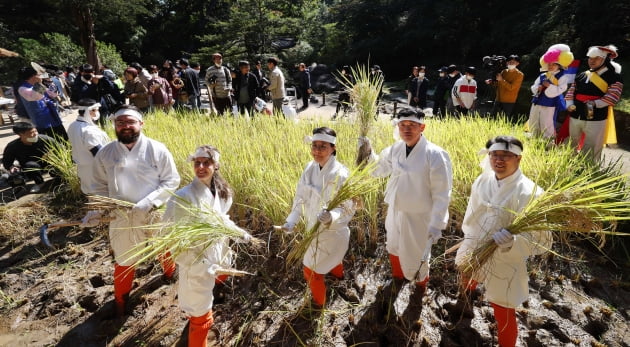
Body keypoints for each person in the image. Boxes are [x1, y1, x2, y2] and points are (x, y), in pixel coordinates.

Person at [82, 105, 180, 318]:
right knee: (124, 259)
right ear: (114, 126)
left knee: (164, 246)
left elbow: (171, 180)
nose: (125, 126)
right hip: (121, 215)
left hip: (155, 211)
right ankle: (120, 303)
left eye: (130, 122)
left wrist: (149, 202)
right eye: (120, 122)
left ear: (141, 124)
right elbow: (98, 186)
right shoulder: (105, 153)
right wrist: (96, 210)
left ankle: (169, 274)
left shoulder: (157, 149)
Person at [453, 136, 552, 347]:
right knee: (466, 272)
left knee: (503, 307)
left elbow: (543, 240)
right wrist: (468, 239)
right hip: (475, 244)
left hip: (505, 258)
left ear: (519, 159)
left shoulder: (530, 192)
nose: (499, 160)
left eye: (506, 156)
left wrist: (511, 243)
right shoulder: (482, 180)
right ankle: (464, 304)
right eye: (495, 155)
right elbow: (471, 214)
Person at [163, 145, 252, 347]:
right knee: (201, 315)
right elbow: (175, 240)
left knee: (213, 287)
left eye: (207, 162)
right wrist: (201, 265)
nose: (201, 167)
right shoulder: (184, 198)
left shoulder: (223, 193)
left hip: (216, 252)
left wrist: (239, 233)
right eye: (197, 163)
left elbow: (221, 220)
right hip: (195, 261)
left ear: (216, 165)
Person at [363, 109, 452, 302]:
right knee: (393, 245)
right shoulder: (396, 149)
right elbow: (379, 169)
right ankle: (397, 278)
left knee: (418, 253)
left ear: (422, 127)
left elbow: (442, 192)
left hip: (419, 215)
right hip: (395, 209)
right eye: (403, 125)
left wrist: (437, 223)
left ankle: (420, 289)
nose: (407, 129)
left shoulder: (435, 154)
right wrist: (367, 154)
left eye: (412, 125)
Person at [281, 127, 356, 308]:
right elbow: (300, 198)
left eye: (323, 146)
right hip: (313, 230)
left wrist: (332, 216)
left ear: (333, 148)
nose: (317, 151)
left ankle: (318, 307)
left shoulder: (341, 174)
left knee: (311, 272)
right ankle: (339, 279)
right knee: (331, 260)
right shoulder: (309, 168)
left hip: (333, 233)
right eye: (314, 146)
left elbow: (350, 206)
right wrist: (291, 220)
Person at [566, 45, 623, 162]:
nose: (591, 61)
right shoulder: (582, 75)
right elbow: (572, 91)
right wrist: (569, 103)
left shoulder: (614, 77)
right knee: (572, 141)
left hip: (597, 116)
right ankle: (569, 163)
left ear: (605, 59)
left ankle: (589, 168)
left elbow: (612, 96)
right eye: (590, 58)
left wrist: (595, 103)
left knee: (592, 144)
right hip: (576, 113)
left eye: (596, 58)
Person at [528, 44, 573, 139]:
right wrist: (538, 88)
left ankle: (547, 141)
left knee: (547, 122)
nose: (551, 66)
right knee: (533, 119)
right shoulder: (543, 75)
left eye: (554, 64)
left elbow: (562, 89)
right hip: (537, 100)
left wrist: (549, 86)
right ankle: (533, 137)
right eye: (549, 64)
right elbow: (534, 86)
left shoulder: (563, 76)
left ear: (559, 65)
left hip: (550, 102)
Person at [67, 99, 110, 194]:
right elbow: (98, 153)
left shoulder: (72, 126)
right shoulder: (89, 131)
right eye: (94, 110)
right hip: (95, 170)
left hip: (83, 169)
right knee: (101, 195)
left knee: (90, 193)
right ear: (87, 111)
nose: (97, 112)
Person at [2, 122, 56, 193]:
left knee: (55, 161)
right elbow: (6, 161)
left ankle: (57, 177)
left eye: (35, 131)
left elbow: (62, 148)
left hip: (49, 162)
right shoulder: (13, 146)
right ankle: (40, 183)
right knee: (30, 165)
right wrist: (11, 167)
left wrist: (53, 154)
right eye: (31, 133)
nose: (35, 134)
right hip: (31, 168)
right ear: (21, 134)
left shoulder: (44, 139)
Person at [16, 66, 68, 140]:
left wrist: (50, 83)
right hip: (42, 120)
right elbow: (35, 97)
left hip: (52, 116)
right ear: (32, 76)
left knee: (63, 138)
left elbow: (53, 94)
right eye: (38, 74)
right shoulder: (22, 88)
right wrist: (39, 83)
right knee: (50, 141)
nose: (40, 76)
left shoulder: (36, 85)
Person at [487, 54, 524, 121]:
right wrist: (492, 82)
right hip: (498, 99)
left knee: (504, 121)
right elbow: (498, 84)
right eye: (509, 62)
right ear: (506, 62)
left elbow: (511, 88)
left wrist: (501, 80)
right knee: (493, 119)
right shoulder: (503, 71)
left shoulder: (519, 75)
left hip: (509, 101)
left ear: (517, 63)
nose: (511, 63)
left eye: (513, 62)